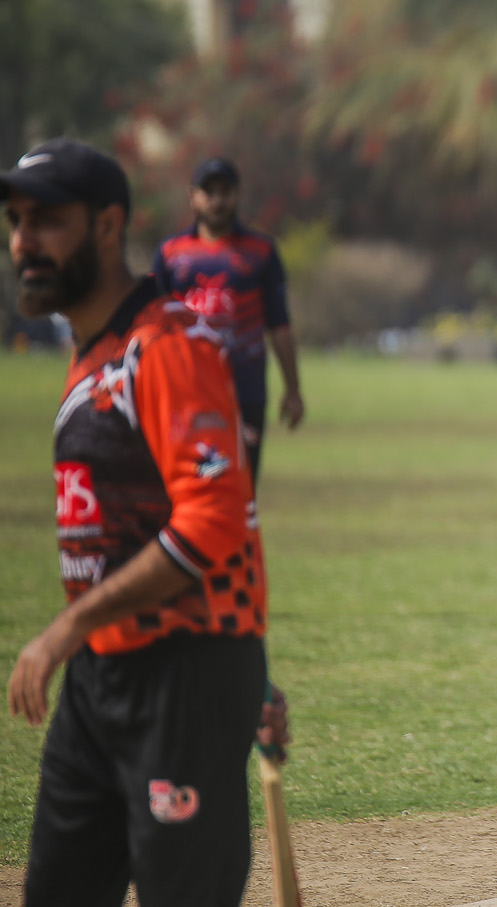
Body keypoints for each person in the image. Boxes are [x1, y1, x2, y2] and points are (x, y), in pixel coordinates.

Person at [4, 139, 288, 907]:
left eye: (46, 220)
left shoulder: (167, 344)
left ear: (107, 226)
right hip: (102, 678)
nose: (23, 241)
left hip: (183, 681)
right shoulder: (96, 348)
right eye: (16, 221)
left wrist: (65, 629)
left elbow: (217, 519)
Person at [152, 157, 303, 481]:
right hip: (185, 391)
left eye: (225, 192)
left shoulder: (260, 252)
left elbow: (279, 324)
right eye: (209, 192)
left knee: (240, 486)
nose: (217, 201)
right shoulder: (171, 253)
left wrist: (292, 389)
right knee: (184, 486)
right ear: (193, 196)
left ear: (237, 195)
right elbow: (150, 327)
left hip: (243, 390)